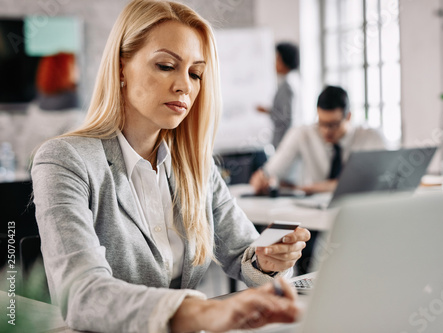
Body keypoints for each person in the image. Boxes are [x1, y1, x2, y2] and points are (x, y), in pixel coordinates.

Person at [31, 1, 310, 332]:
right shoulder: (64, 160)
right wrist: (198, 313)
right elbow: (81, 294)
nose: (185, 86)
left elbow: (243, 254)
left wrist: (268, 259)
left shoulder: (195, 168)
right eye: (165, 66)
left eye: (195, 73)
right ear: (121, 67)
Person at [250, 86, 387, 195]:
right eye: (321, 123)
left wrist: (326, 187)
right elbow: (271, 171)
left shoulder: (371, 137)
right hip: (314, 219)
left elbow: (384, 181)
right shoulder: (303, 133)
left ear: (348, 117)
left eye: (333, 124)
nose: (326, 131)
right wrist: (263, 178)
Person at [257, 42, 301, 149]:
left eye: (277, 58)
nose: (274, 63)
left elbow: (286, 118)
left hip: (285, 143)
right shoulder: (295, 80)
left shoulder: (287, 85)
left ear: (285, 60)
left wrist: (268, 111)